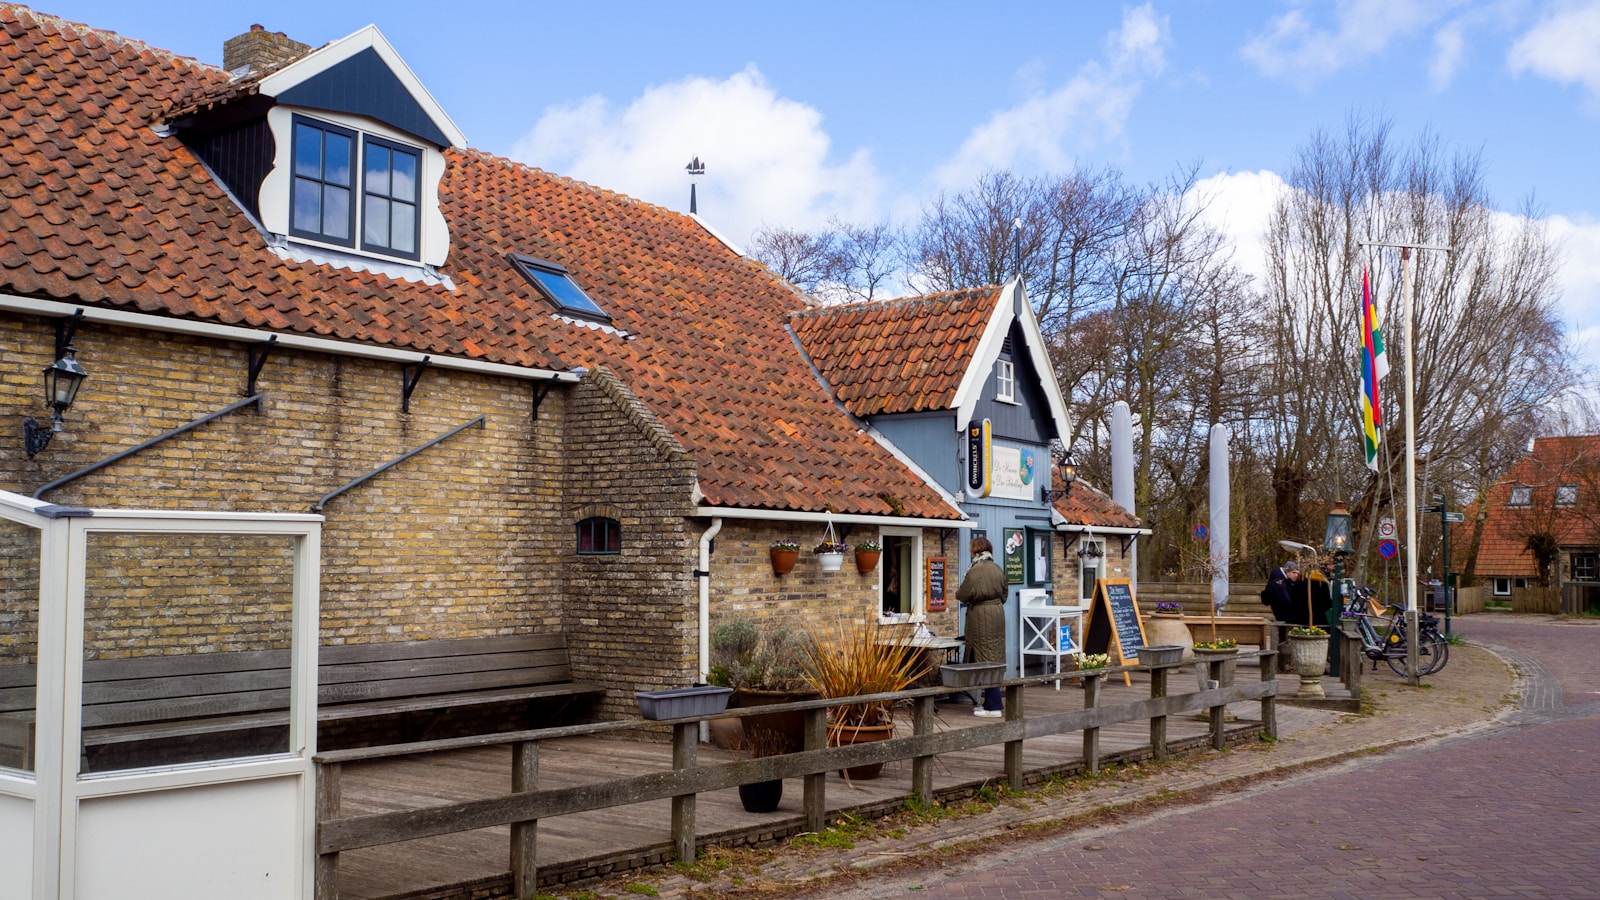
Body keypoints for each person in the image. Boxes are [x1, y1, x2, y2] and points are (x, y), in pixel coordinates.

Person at [956, 536, 1008, 717]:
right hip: (997, 615)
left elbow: (962, 594)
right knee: (994, 657)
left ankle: (993, 706)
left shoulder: (975, 570)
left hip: (981, 617)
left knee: (985, 659)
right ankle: (990, 702)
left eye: (971, 549)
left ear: (976, 550)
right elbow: (1004, 594)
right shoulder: (997, 568)